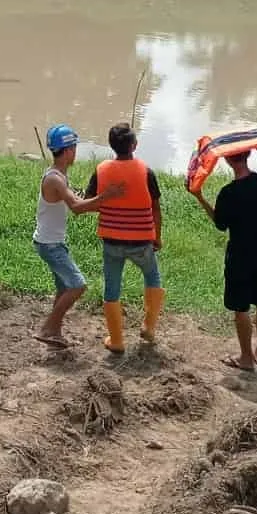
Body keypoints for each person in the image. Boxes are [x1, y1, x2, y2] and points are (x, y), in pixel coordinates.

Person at [191, 149, 257, 372]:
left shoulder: (228, 193)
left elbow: (220, 224)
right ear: (249, 154)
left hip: (239, 256)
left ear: (226, 159)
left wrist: (199, 197)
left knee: (241, 307)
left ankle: (246, 358)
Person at [84, 123, 164, 355]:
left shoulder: (101, 170)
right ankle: (148, 326)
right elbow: (156, 208)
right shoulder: (146, 171)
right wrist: (156, 236)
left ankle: (117, 340)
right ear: (134, 145)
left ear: (111, 145)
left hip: (112, 241)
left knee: (112, 288)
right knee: (152, 277)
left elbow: (89, 202)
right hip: (141, 241)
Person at [31, 125, 114, 349]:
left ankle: (54, 332)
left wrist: (100, 204)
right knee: (77, 286)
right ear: (68, 150)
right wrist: (106, 196)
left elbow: (76, 202)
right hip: (50, 245)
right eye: (74, 147)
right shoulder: (55, 179)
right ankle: (48, 328)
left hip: (51, 241)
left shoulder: (58, 175)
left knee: (63, 288)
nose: (75, 152)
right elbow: (77, 207)